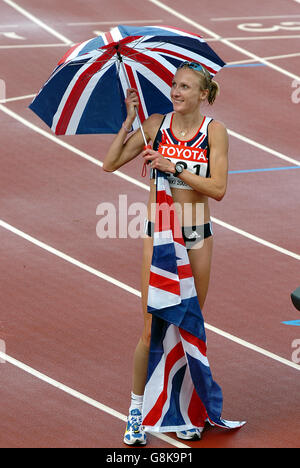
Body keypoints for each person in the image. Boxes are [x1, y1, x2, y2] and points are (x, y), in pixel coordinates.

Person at [103, 61, 229, 445]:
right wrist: (129, 121)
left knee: (187, 324)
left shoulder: (215, 132)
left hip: (196, 235)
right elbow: (109, 164)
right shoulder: (156, 125)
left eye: (185, 87)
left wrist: (174, 166)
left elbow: (218, 188)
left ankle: (186, 411)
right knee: (150, 328)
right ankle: (136, 412)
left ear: (203, 95)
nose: (176, 91)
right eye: (174, 84)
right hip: (159, 235)